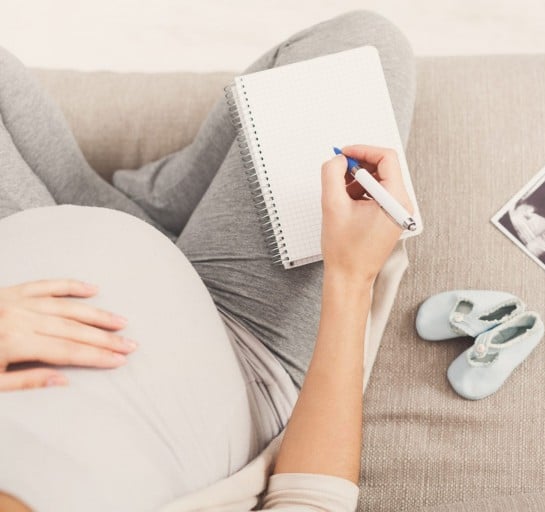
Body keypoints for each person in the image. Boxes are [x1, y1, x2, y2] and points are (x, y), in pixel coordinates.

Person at [0, 10, 415, 512]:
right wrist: (352, 277)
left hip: (26, 256)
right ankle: (145, 218)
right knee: (356, 51)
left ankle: (140, 211)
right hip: (244, 348)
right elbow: (312, 499)